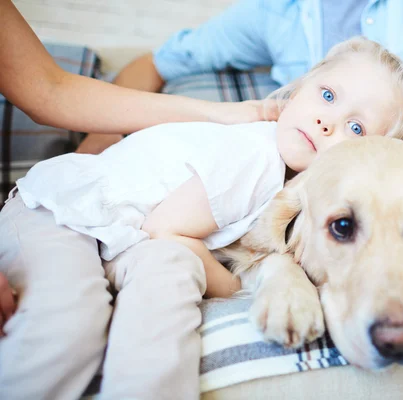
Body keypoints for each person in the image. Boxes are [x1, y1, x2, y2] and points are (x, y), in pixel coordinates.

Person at [77, 1, 403, 398]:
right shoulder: (276, 12)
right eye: (325, 97)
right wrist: (89, 156)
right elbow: (156, 62)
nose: (329, 118)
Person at [0, 37, 403, 399]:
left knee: (171, 278)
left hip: (124, 237)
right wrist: (236, 287)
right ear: (297, 91)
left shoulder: (293, 188)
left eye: (356, 128)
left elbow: (166, 242)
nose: (327, 123)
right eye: (327, 96)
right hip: (61, 213)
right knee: (68, 319)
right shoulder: (254, 158)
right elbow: (164, 230)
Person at [0, 0, 281, 336]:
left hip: (124, 232)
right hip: (60, 204)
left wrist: (219, 113)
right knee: (64, 326)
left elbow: (50, 90)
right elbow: (167, 228)